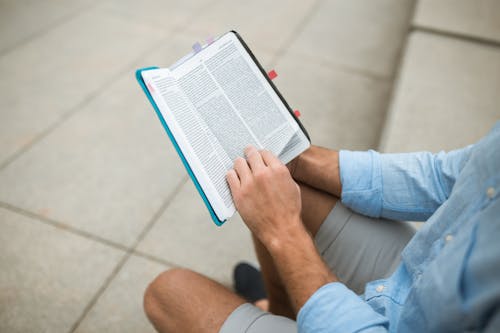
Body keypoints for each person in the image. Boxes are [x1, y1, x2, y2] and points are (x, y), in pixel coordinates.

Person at [143, 123, 500, 332]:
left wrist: (284, 233)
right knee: (280, 182)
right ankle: (282, 312)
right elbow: (446, 177)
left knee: (167, 293)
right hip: (417, 274)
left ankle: (295, 310)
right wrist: (301, 158)